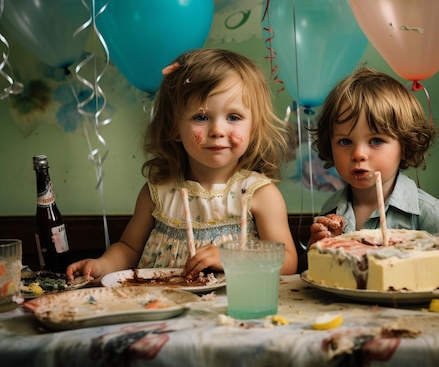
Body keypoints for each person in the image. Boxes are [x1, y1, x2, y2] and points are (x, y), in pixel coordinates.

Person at [67, 48, 299, 282]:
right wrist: (101, 265)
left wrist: (233, 258)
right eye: (201, 117)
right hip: (164, 304)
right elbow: (129, 248)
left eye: (234, 117)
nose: (218, 130)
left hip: (233, 309)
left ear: (253, 128)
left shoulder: (259, 194)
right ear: (174, 128)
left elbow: (288, 261)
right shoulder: (158, 192)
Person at [308, 66, 439, 255]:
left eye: (376, 140)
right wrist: (317, 248)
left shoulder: (431, 215)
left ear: (405, 145)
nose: (358, 154)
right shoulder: (331, 210)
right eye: (345, 141)